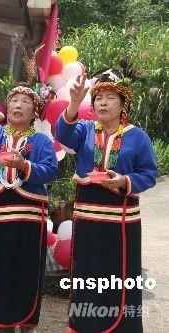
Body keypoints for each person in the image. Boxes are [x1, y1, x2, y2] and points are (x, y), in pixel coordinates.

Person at [56, 69, 157, 332]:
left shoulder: (137, 136)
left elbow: (149, 174)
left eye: (110, 97)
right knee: (86, 276)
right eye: (98, 96)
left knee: (118, 278)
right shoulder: (85, 130)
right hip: (88, 222)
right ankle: (84, 325)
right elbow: (62, 135)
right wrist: (75, 102)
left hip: (121, 225)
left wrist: (124, 181)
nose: (102, 101)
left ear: (123, 106)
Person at [0, 84, 58, 333]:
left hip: (29, 214)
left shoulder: (41, 141)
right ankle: (0, 320)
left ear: (34, 111)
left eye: (25, 102)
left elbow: (50, 171)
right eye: (14, 100)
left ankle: (26, 321)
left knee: (27, 268)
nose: (17, 105)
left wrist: (24, 164)